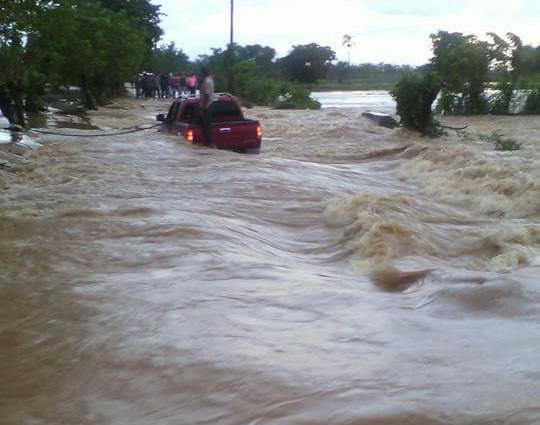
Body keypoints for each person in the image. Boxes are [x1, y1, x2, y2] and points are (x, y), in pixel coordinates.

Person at [199, 67, 215, 147]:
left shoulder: (206, 81)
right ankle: (209, 142)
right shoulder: (210, 80)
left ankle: (209, 143)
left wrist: (202, 108)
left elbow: (206, 96)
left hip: (207, 106)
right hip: (210, 105)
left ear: (203, 73)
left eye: (201, 73)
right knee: (207, 125)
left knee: (207, 126)